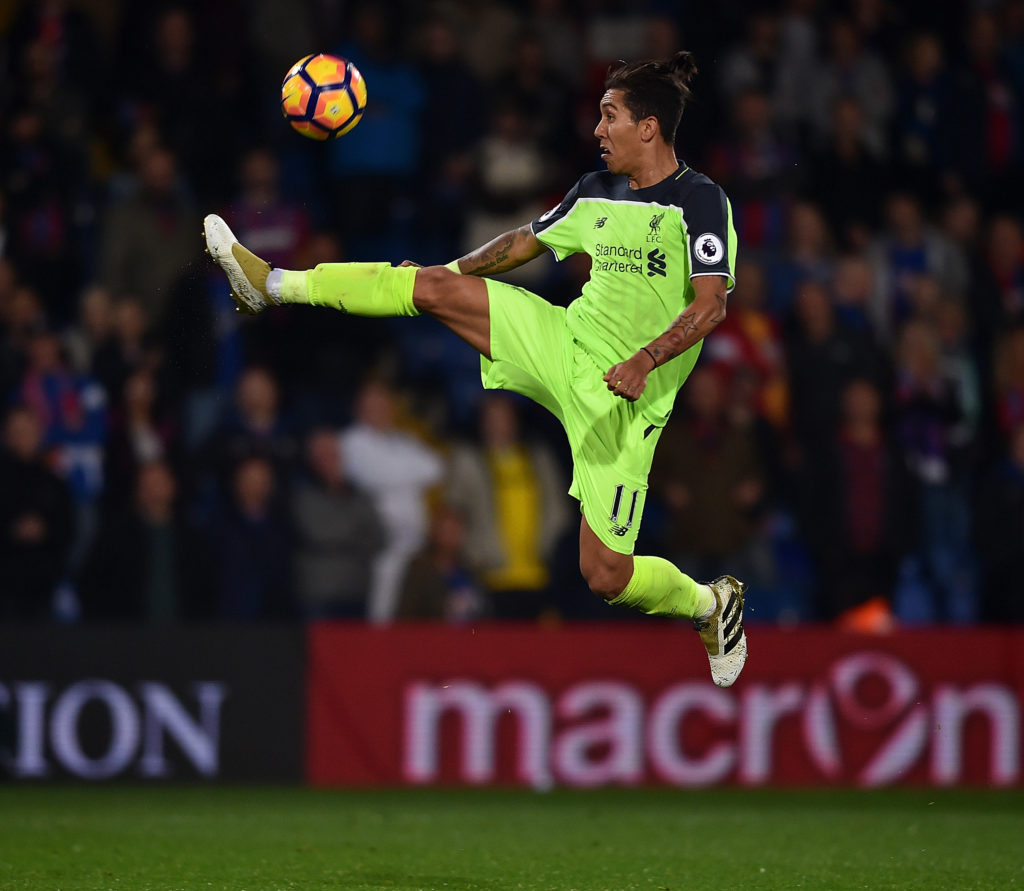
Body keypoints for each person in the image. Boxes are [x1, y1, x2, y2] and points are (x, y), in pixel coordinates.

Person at [204, 52, 747, 686]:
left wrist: (645, 359)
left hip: (625, 402)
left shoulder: (701, 204)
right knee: (432, 284)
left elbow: (711, 305)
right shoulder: (594, 192)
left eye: (610, 116)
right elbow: (521, 243)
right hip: (563, 341)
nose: (597, 130)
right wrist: (441, 283)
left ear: (648, 127)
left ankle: (712, 604)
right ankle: (272, 283)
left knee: (605, 576)